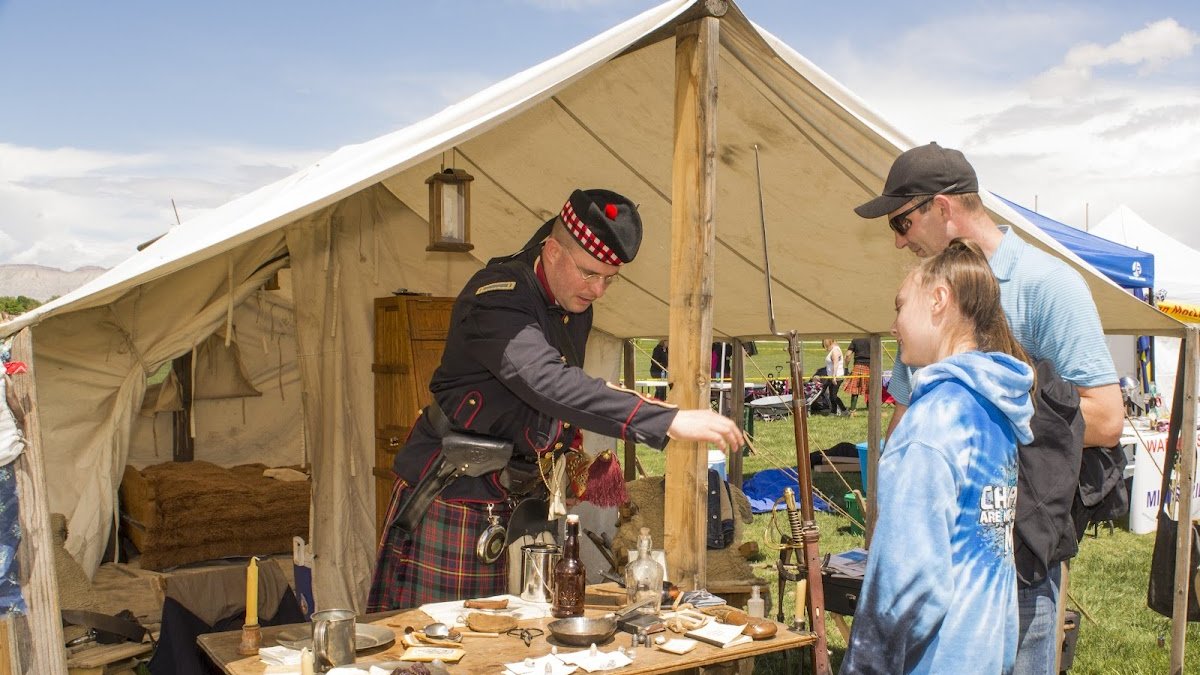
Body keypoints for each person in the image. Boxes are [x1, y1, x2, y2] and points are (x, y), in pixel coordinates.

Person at [368, 188, 743, 610]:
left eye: (609, 279)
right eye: (589, 274)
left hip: (519, 498)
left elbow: (556, 396)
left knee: (515, 641)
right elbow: (548, 382)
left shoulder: (574, 305)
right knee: (431, 647)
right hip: (456, 490)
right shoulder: (496, 297)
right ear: (551, 251)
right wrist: (663, 418)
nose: (599, 290)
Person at [855, 143, 1122, 674]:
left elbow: (1108, 418)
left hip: (1017, 552)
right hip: (940, 547)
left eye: (903, 221)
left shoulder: (1049, 287)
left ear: (943, 208)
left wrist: (984, 413)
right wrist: (888, 511)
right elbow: (909, 410)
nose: (898, 239)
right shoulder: (933, 300)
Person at [841, 239, 1034, 674]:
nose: (893, 325)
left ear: (938, 300)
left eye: (899, 306)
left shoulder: (932, 423)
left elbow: (905, 584)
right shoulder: (993, 409)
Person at [842, 337, 871, 414]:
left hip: (857, 366)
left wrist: (846, 367)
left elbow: (848, 355)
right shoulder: (872, 339)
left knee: (855, 390)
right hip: (870, 367)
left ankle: (852, 411)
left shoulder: (855, 340)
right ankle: (871, 410)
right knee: (870, 390)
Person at [821, 338, 847, 416]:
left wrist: (834, 377)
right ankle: (834, 411)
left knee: (833, 395)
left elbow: (836, 364)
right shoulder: (834, 350)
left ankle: (844, 410)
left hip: (837, 376)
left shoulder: (835, 351)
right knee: (831, 395)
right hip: (831, 376)